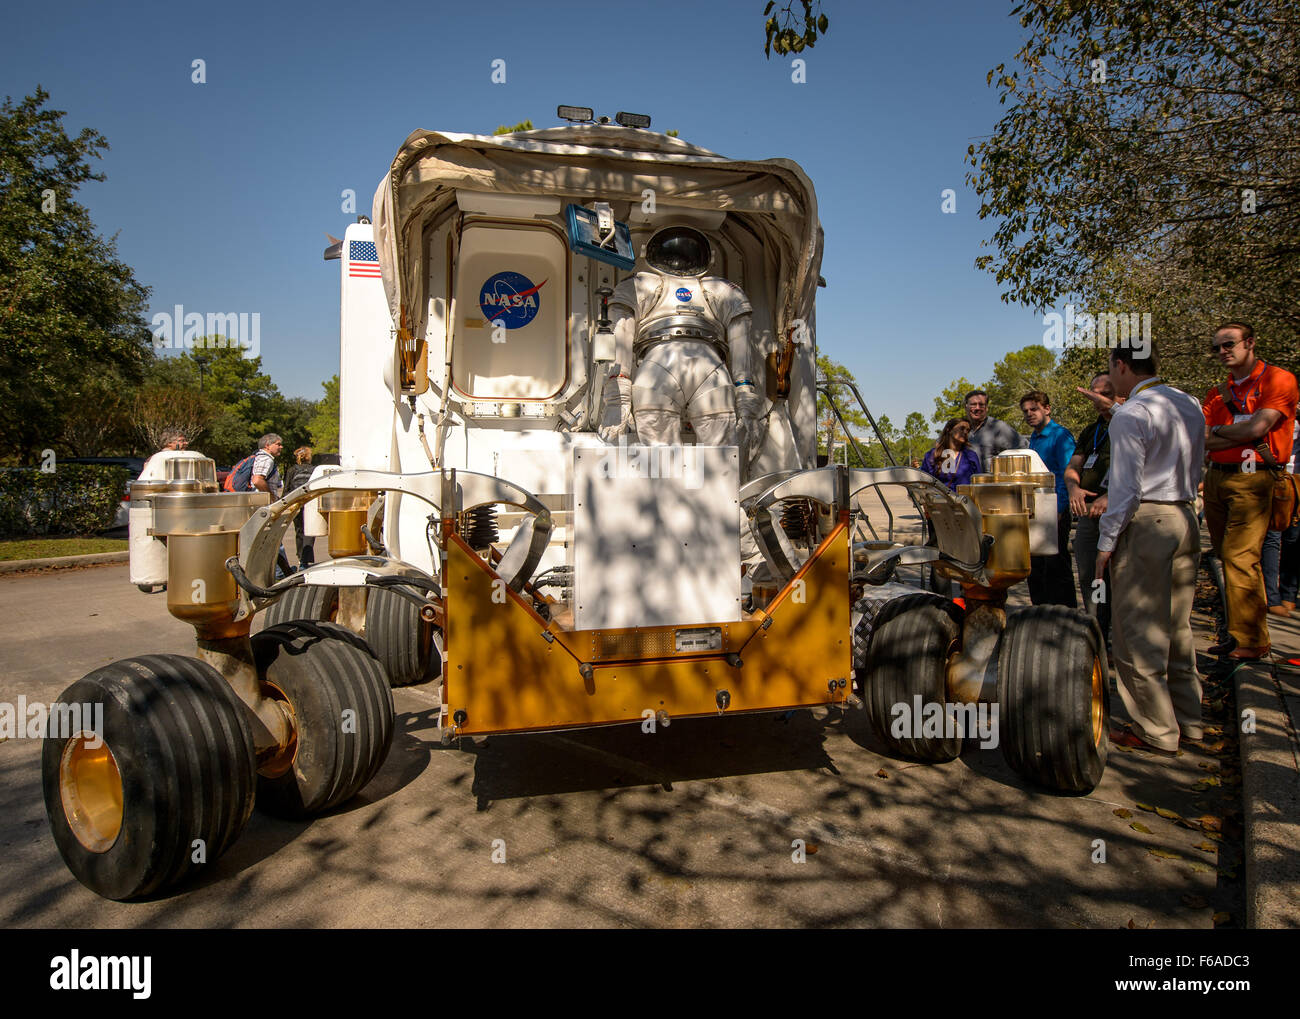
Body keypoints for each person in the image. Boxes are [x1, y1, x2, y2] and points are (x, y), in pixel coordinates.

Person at [1095, 344, 1205, 755]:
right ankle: (1188, 719)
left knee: (1138, 631)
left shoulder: (1132, 413)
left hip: (1148, 523)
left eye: (1112, 368)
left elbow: (1125, 489)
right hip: (1184, 516)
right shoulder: (1189, 403)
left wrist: (1106, 544)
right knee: (1177, 626)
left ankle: (1155, 729)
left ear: (1122, 366)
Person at [604, 226, 760, 464]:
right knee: (722, 463)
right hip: (712, 369)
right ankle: (720, 500)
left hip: (657, 366)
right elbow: (741, 345)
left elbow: (621, 334)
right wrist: (745, 395)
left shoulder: (641, 284)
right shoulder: (721, 289)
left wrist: (619, 397)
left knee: (661, 462)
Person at [1201, 323, 1299, 660]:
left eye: (1228, 344)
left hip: (1255, 478)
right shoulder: (1218, 392)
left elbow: (1260, 427)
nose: (1222, 352)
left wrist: (1224, 432)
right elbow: (1203, 437)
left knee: (1240, 557)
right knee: (1228, 557)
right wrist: (1233, 431)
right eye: (1216, 348)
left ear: (1250, 343)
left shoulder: (1278, 380)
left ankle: (1251, 641)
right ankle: (1241, 633)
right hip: (1216, 477)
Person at [1066, 373, 1116, 643]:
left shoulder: (1129, 423)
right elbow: (1073, 467)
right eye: (1093, 393)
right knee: (1090, 575)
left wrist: (1111, 496)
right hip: (1088, 517)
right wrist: (1074, 487)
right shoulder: (1091, 430)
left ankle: (1117, 636)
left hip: (1119, 515)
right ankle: (1096, 631)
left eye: (1105, 393)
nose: (1097, 399)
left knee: (1116, 577)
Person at [1021, 390, 1077, 607]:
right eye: (1025, 411)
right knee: (1036, 569)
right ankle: (1040, 614)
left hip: (1055, 510)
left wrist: (1060, 508)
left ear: (1047, 409)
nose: (1029, 414)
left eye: (1033, 409)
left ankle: (1065, 616)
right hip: (1036, 511)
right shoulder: (1034, 438)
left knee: (1057, 568)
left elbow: (1067, 473)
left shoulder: (1060, 436)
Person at [963, 389, 1019, 470]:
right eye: (973, 404)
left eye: (981, 404)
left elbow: (1023, 450)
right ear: (966, 407)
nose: (977, 408)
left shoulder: (998, 427)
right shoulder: (961, 430)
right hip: (967, 481)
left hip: (991, 481)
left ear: (987, 408)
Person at [921, 418, 981, 492]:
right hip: (939, 502)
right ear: (949, 430)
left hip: (964, 501)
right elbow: (923, 483)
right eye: (961, 428)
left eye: (968, 430)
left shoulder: (970, 456)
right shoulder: (932, 455)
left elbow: (978, 484)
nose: (965, 432)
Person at [284, 446, 316, 570]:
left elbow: (287, 488)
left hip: (296, 503)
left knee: (299, 531)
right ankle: (305, 560)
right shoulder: (314, 470)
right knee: (309, 531)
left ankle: (300, 559)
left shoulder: (292, 470)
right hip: (311, 502)